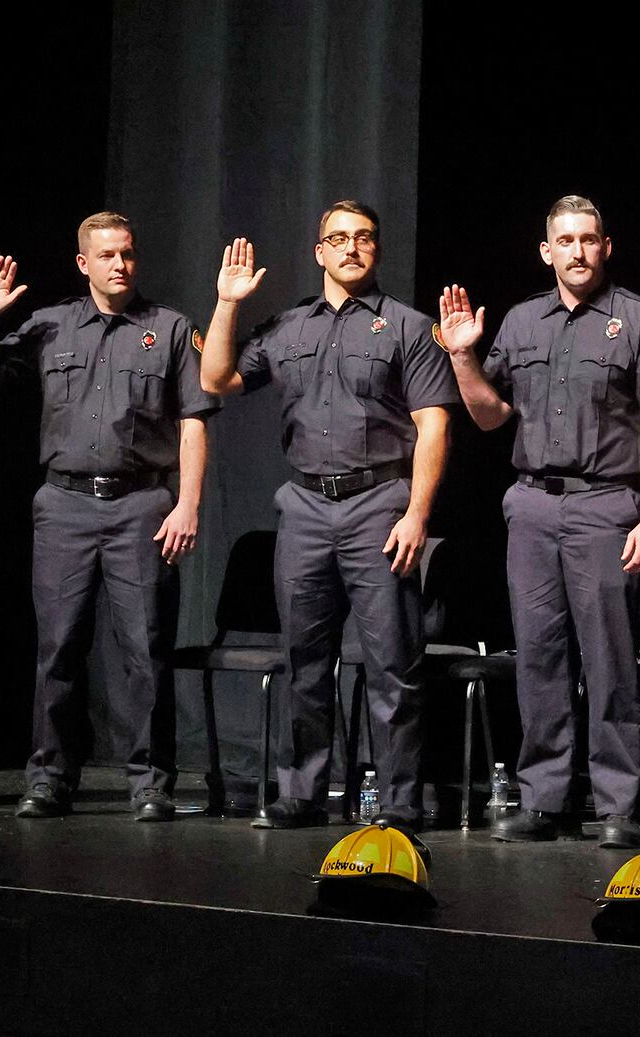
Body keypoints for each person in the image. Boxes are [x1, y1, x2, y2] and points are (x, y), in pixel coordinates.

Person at [199, 201, 456, 831]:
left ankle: (398, 802)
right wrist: (228, 303)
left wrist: (417, 514)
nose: (350, 248)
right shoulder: (288, 327)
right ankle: (303, 793)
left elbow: (434, 426)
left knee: (393, 663)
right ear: (319, 251)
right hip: (307, 506)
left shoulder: (408, 327)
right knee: (304, 661)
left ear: (377, 250)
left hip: (380, 505)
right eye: (337, 239)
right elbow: (217, 379)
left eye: (363, 238)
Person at [437, 194, 640, 849]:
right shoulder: (520, 322)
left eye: (588, 239)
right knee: (538, 655)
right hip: (533, 504)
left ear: (606, 247)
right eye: (564, 240)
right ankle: (545, 797)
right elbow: (489, 416)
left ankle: (618, 803)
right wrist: (462, 356)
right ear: (546, 251)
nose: (577, 251)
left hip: (607, 505)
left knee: (608, 660)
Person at [0, 211, 216, 822]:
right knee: (59, 647)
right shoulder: (50, 326)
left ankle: (151, 782)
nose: (121, 265)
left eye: (127, 254)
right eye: (107, 255)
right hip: (65, 505)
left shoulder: (171, 327)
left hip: (142, 505)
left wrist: (187, 503)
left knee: (145, 649)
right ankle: (50, 776)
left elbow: (193, 422)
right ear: (84, 263)